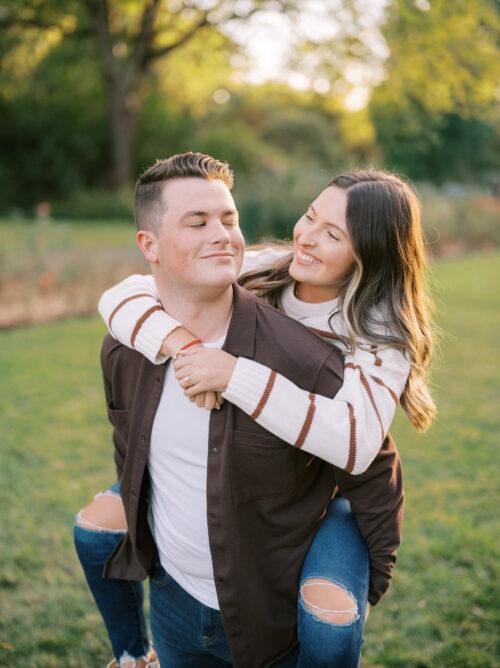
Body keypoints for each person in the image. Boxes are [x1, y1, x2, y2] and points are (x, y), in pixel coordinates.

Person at [74, 152, 435, 667]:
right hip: (232, 472)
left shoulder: (378, 332)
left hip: (314, 483)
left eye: (334, 234)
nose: (307, 238)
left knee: (329, 622)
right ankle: (135, 656)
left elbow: (358, 447)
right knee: (99, 524)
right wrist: (186, 347)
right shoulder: (272, 264)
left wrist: (233, 375)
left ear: (369, 256)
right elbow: (127, 294)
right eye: (310, 216)